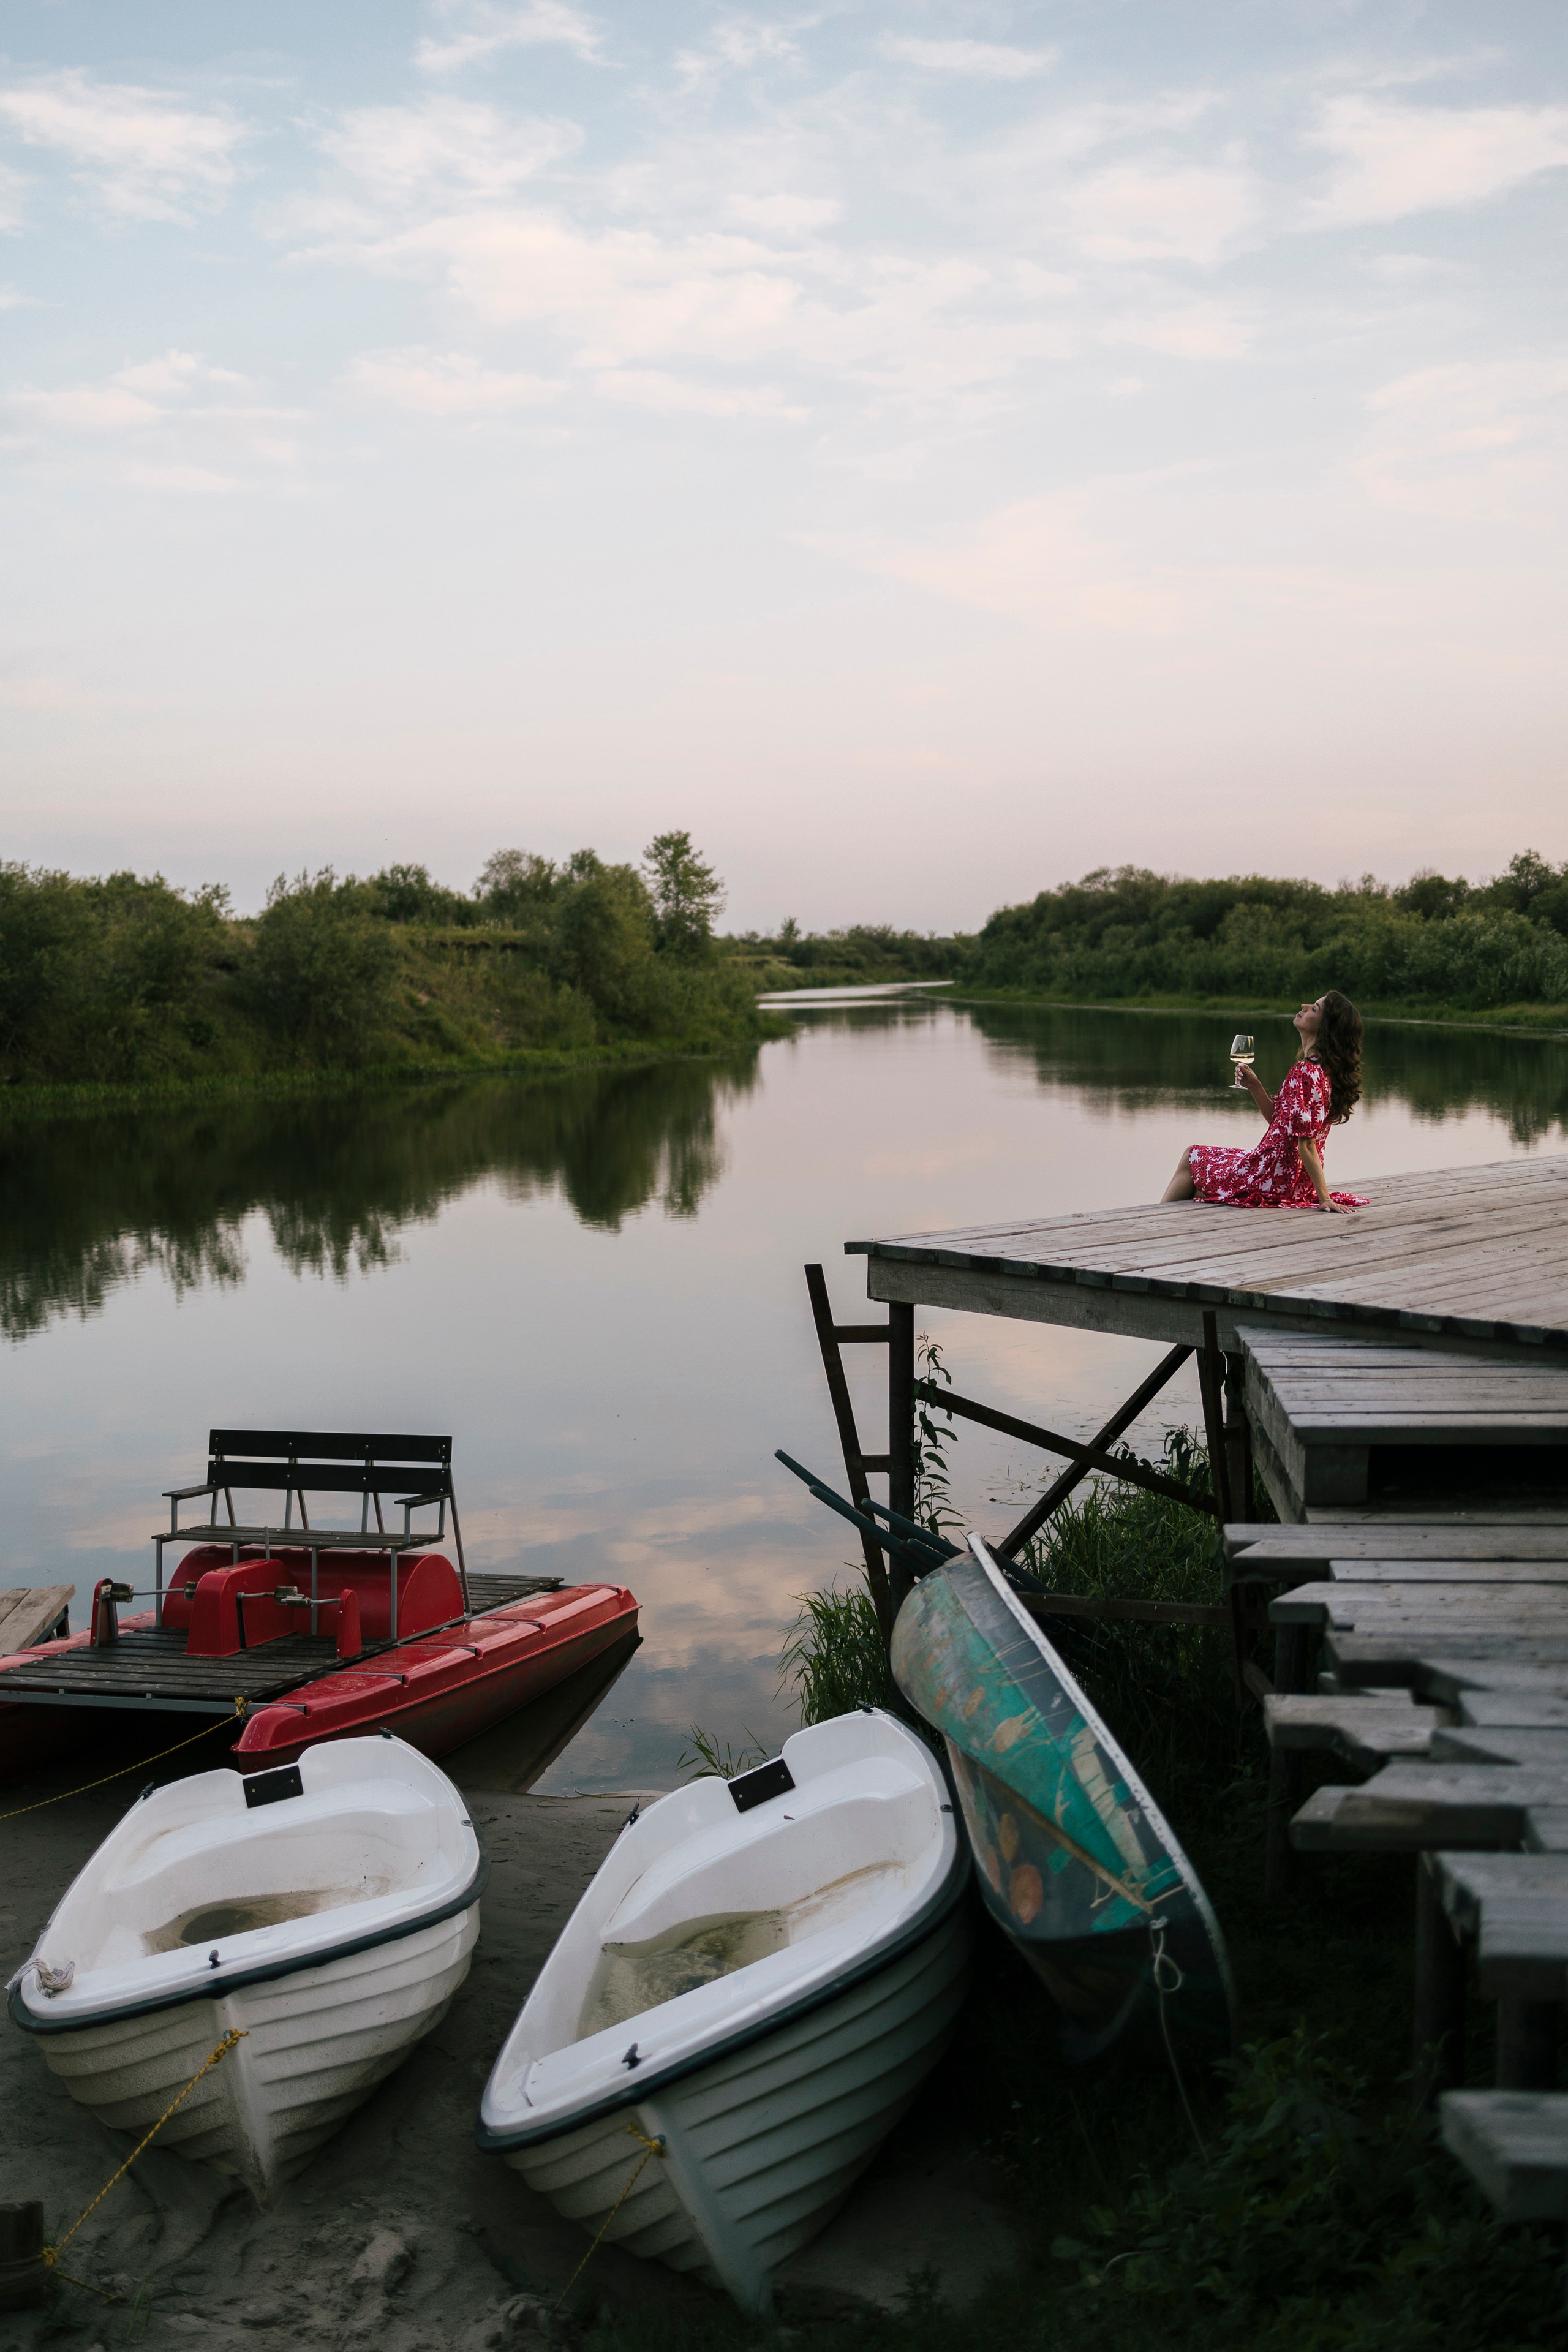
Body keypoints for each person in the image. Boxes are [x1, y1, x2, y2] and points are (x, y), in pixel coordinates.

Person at [1161, 993, 1368, 1215]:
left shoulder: (1306, 1072)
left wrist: (1324, 1198)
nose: (1304, 1006)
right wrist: (1256, 1086)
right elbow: (1279, 1124)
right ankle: (1190, 1205)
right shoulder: (1324, 1070)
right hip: (1295, 1181)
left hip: (1271, 1176)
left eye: (1314, 1009)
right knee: (1202, 1177)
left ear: (1325, 1028)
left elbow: (1306, 1143)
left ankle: (1155, 1220)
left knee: (1192, 1155)